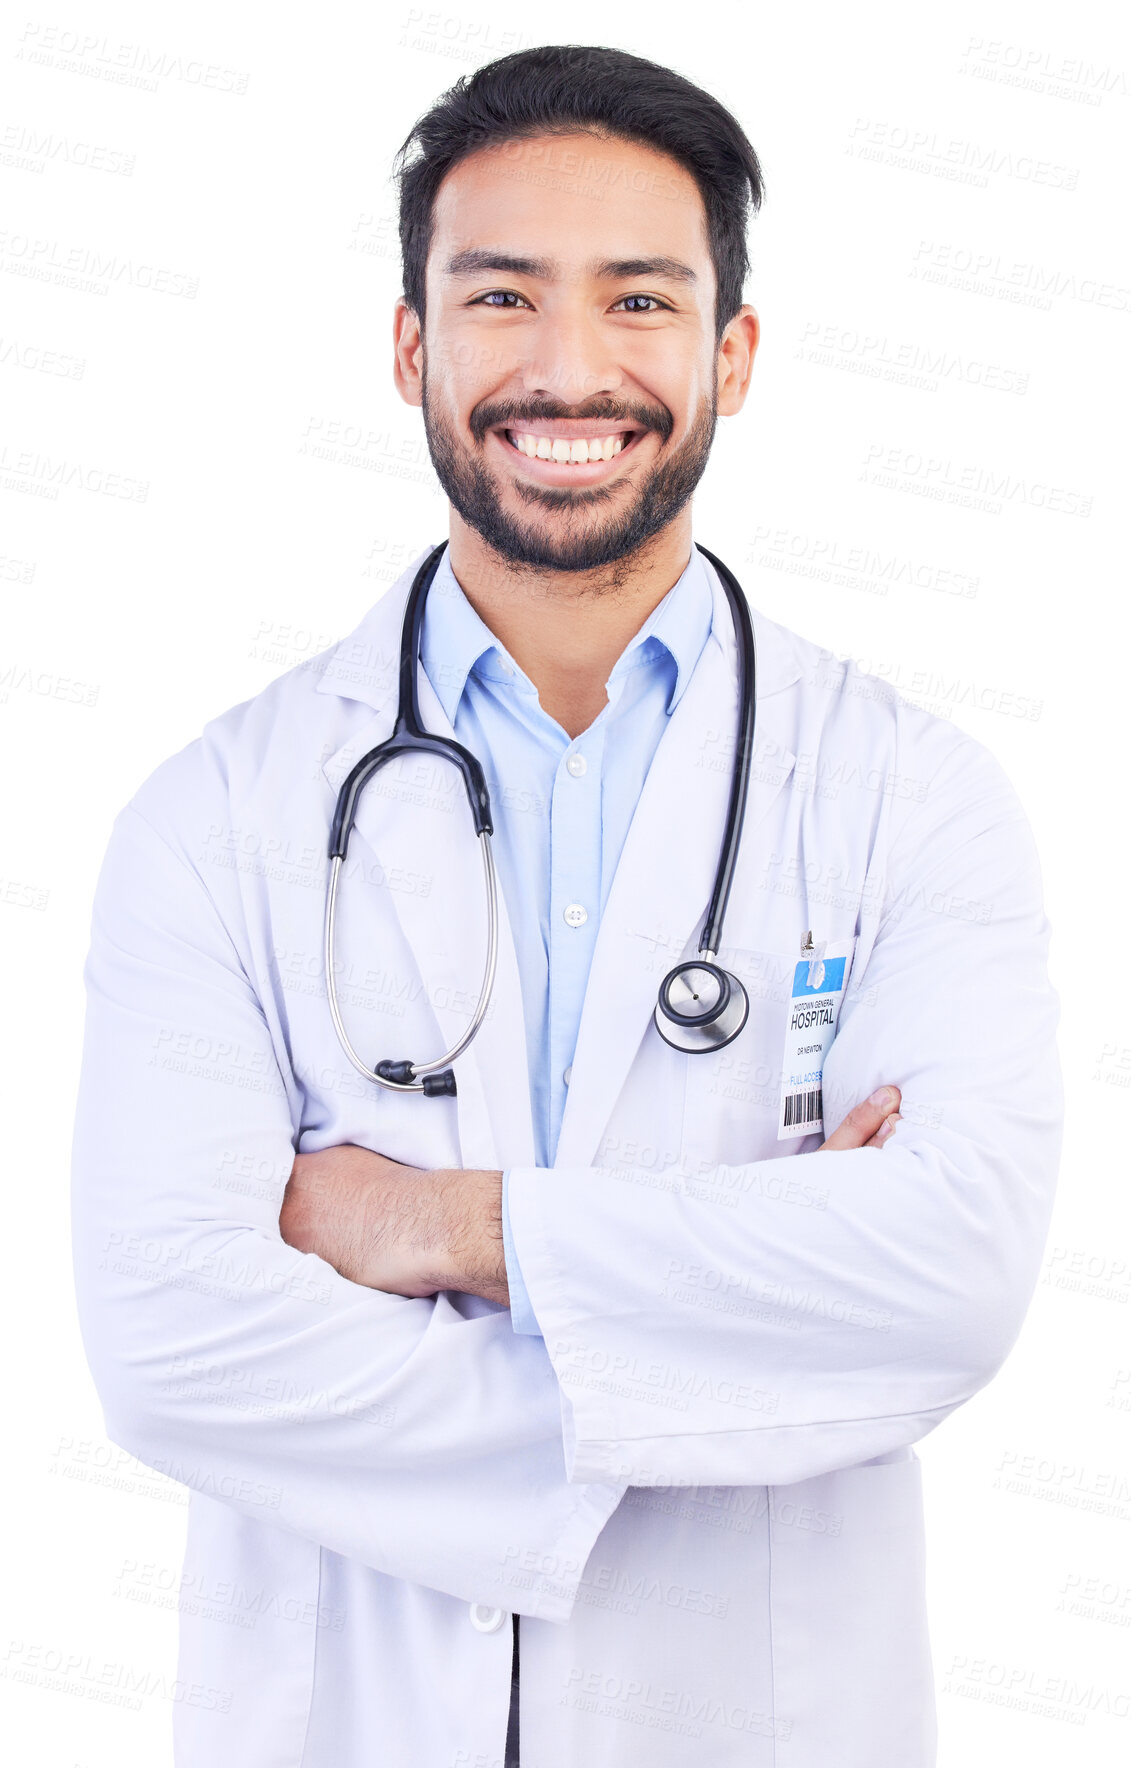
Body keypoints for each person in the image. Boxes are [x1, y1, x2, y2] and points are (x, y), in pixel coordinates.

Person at [70, 43, 1063, 1768]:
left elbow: (951, 1279)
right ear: (412, 348)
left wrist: (443, 1230)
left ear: (732, 356)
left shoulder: (913, 796)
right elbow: (169, 1341)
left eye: (642, 302)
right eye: (504, 296)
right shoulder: (218, 815)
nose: (569, 369)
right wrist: (734, 1330)